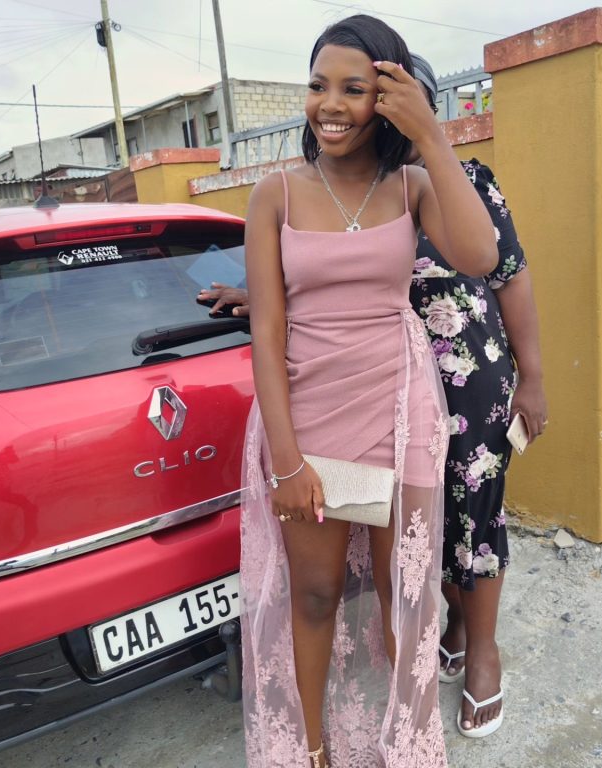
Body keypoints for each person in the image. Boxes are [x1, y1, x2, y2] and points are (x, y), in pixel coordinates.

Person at [238, 14, 497, 768]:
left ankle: (403, 747)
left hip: (397, 412)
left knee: (402, 594)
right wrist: (286, 460)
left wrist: (434, 137)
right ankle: (312, 750)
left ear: (387, 98)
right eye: (318, 85)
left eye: (353, 89)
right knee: (316, 593)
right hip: (312, 420)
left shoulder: (410, 186)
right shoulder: (274, 195)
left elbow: (481, 255)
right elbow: (267, 334)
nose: (330, 104)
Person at [408, 54, 547, 738]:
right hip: (397, 386)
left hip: (476, 382)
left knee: (476, 515)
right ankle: (457, 619)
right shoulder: (365, 193)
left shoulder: (470, 180)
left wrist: (534, 377)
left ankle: (484, 652)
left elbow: (511, 277)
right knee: (425, 517)